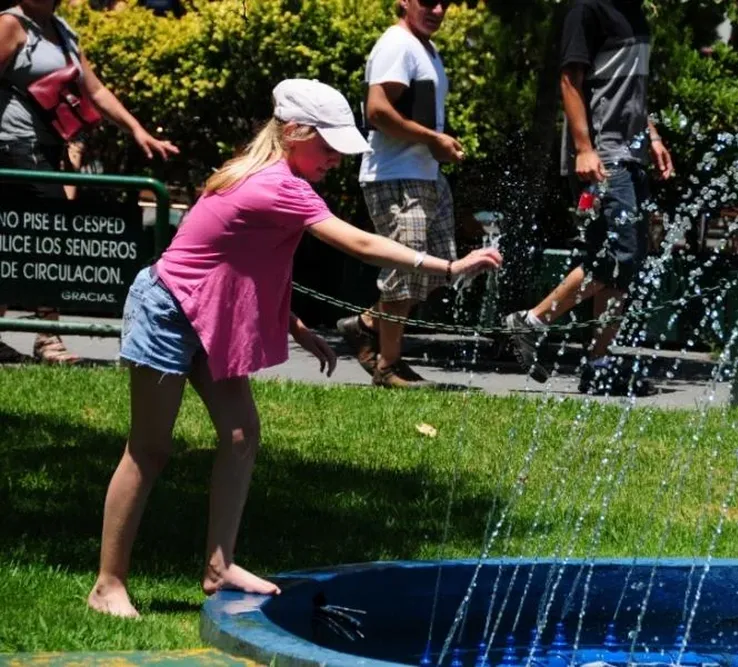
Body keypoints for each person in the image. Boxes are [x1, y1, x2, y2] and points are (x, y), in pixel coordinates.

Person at [86, 79, 502, 618]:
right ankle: (107, 584)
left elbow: (241, 263)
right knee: (149, 449)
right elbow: (358, 242)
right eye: (327, 146)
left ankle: (219, 566)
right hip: (168, 312)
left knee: (239, 436)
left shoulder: (264, 175)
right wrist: (446, 266)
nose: (334, 159)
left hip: (208, 313)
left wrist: (293, 323)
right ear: (293, 133)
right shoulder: (280, 186)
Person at [501, 0, 673, 397]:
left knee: (621, 265)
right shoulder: (587, 9)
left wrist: (654, 137)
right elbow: (570, 81)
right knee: (618, 256)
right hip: (602, 155)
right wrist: (583, 148)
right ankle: (532, 321)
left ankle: (599, 364)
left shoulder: (635, 14)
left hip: (630, 153)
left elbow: (631, 90)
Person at [0, 0, 178, 364]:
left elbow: (95, 91)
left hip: (46, 148)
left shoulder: (63, 31)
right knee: (41, 238)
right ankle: (49, 339)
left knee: (28, 240)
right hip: (12, 147)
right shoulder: (10, 25)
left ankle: (45, 336)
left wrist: (138, 131)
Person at [335, 0, 465, 389]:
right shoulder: (397, 44)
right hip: (394, 177)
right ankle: (388, 366)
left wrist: (438, 146)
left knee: (438, 268)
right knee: (405, 269)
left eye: (444, 3)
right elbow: (377, 111)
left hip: (424, 175)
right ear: (404, 2)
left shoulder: (425, 47)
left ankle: (366, 324)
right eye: (427, 2)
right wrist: (434, 140)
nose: (437, 9)